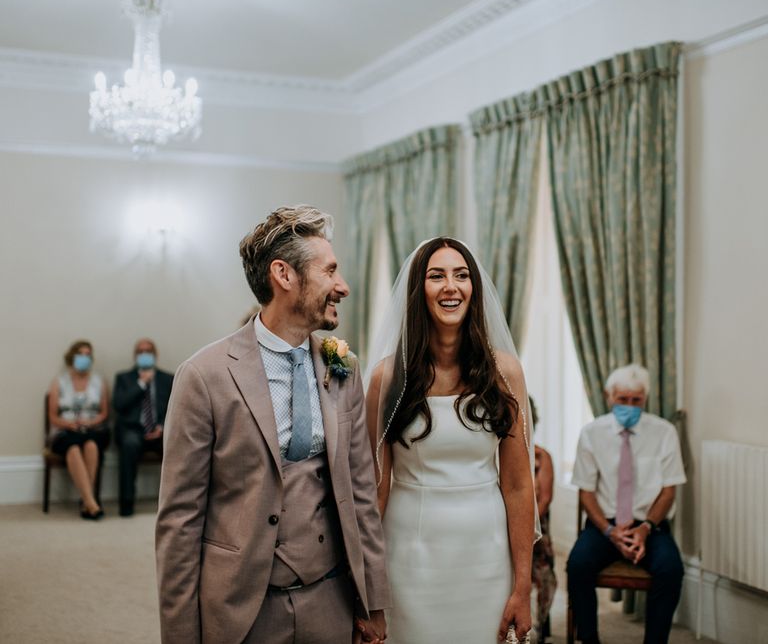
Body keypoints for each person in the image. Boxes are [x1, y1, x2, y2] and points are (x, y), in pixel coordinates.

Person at [155, 205, 390, 644]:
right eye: (330, 272)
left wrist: (372, 601)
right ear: (284, 275)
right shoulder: (204, 375)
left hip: (331, 601)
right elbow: (180, 522)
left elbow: (360, 491)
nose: (343, 287)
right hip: (244, 608)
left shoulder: (343, 362)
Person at [365, 236, 538, 644]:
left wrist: (522, 586)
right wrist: (369, 592)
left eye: (461, 276)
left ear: (474, 289)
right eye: (436, 276)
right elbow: (375, 491)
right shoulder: (387, 379)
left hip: (486, 554)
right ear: (418, 290)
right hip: (409, 556)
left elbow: (517, 485)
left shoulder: (505, 373)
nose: (450, 287)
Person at [567, 363, 686, 644]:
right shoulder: (591, 434)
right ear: (609, 397)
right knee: (577, 566)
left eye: (636, 400)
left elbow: (669, 492)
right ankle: (589, 639)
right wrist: (611, 533)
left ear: (645, 399)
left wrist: (644, 529)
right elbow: (586, 492)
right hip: (603, 526)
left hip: (650, 526)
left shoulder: (665, 432)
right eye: (622, 399)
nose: (629, 406)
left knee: (672, 571)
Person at [47, 340, 109, 519]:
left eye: (88, 355)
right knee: (73, 448)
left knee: (91, 445)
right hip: (66, 431)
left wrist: (91, 422)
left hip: (93, 430)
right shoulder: (59, 381)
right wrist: (68, 424)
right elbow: (52, 415)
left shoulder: (98, 381)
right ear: (72, 357)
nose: (85, 358)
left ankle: (86, 502)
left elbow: (104, 412)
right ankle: (90, 502)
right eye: (81, 354)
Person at [113, 338, 174, 517]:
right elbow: (119, 405)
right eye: (141, 351)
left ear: (155, 355)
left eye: (148, 351)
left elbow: (175, 407)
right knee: (130, 444)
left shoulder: (167, 378)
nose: (144, 354)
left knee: (177, 446)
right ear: (135, 355)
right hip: (133, 430)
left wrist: (162, 427)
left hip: (159, 431)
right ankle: (126, 504)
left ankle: (173, 503)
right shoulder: (124, 378)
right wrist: (141, 384)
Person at [529, 397, 556, 644]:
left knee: (544, 573)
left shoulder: (541, 457)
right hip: (495, 526)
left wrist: (524, 528)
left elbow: (545, 499)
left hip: (535, 529)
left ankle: (538, 625)